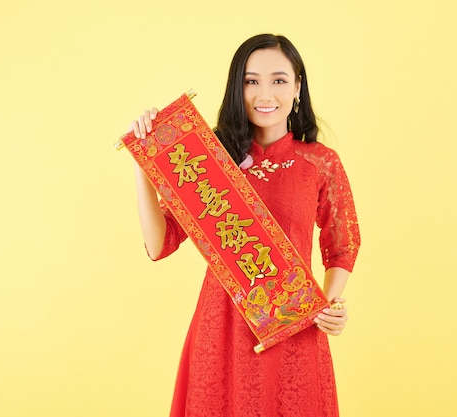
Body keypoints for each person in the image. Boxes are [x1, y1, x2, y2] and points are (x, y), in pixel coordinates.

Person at [128, 34, 361, 417]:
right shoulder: (210, 159)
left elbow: (342, 245)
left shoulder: (320, 162)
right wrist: (146, 162)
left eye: (279, 80)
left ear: (298, 86)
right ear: (237, 88)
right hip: (221, 329)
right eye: (251, 81)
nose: (264, 93)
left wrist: (327, 305)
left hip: (290, 325)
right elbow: (159, 244)